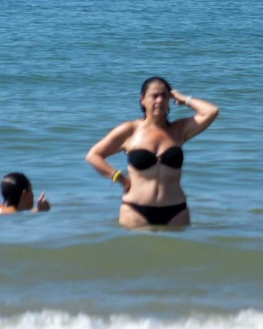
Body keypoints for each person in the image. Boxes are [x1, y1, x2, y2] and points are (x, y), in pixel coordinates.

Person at [86, 77, 219, 228]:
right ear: (143, 100)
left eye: (164, 96)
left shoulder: (179, 130)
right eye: (154, 96)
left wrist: (183, 98)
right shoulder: (130, 130)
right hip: (135, 210)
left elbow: (211, 111)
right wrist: (120, 178)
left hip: (176, 211)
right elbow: (94, 155)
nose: (160, 100)